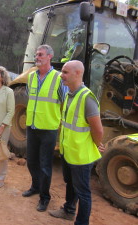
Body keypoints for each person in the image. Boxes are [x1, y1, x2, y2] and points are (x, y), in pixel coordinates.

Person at [49, 60, 104, 225]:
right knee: (70, 184)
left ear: (78, 73)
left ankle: (81, 222)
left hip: (81, 156)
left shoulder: (87, 98)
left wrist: (96, 143)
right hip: (68, 151)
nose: (61, 75)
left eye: (65, 72)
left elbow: (98, 130)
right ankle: (68, 211)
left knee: (83, 193)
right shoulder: (68, 94)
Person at [23, 44, 69, 212]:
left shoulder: (58, 78)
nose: (37, 57)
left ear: (50, 56)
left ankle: (44, 197)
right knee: (31, 162)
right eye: (36, 54)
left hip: (48, 129)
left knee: (45, 166)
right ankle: (35, 187)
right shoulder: (31, 77)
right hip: (32, 126)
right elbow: (30, 98)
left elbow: (65, 102)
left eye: (41, 54)